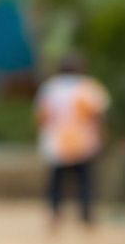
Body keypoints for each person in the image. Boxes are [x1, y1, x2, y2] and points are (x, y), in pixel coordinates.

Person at [36, 54, 110, 231]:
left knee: (57, 180)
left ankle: (55, 213)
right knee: (85, 180)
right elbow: (98, 114)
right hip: (84, 141)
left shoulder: (51, 88)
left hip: (57, 142)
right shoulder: (88, 87)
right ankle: (85, 215)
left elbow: (42, 116)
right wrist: (103, 134)